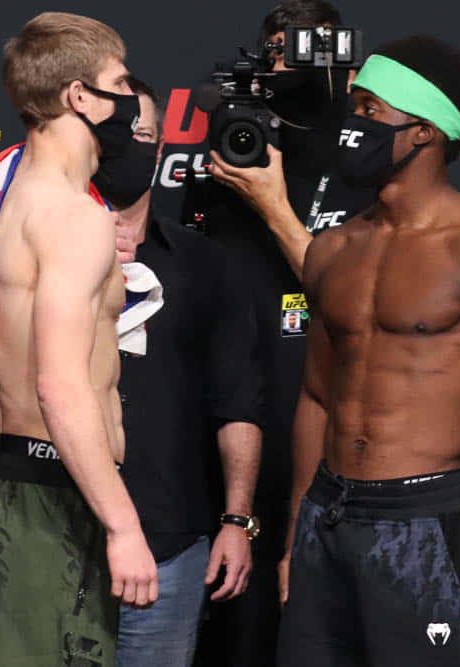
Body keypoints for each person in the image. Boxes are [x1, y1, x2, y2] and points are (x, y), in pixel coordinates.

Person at [276, 36, 460, 667]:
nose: (353, 124)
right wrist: (299, 526)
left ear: (425, 132)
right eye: (353, 107)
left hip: (422, 522)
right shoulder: (332, 249)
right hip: (326, 516)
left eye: (371, 110)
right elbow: (316, 396)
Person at [0, 13, 158, 667]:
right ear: (80, 96)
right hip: (50, 495)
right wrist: (123, 526)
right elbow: (60, 386)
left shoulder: (9, 197)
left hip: (20, 484)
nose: (129, 99)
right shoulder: (75, 217)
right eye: (119, 83)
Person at [193, 2, 377, 665]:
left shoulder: (371, 163)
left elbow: (351, 300)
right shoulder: (237, 143)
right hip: (231, 438)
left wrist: (270, 203)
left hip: (337, 443)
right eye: (276, 51)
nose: (288, 64)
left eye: (305, 50)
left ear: (343, 64)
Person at [94, 77, 265, 667]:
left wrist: (237, 520)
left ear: (162, 149)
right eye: (113, 134)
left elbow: (237, 402)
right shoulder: (29, 254)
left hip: (169, 541)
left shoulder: (205, 265)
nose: (127, 147)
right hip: (52, 537)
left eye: (142, 135)